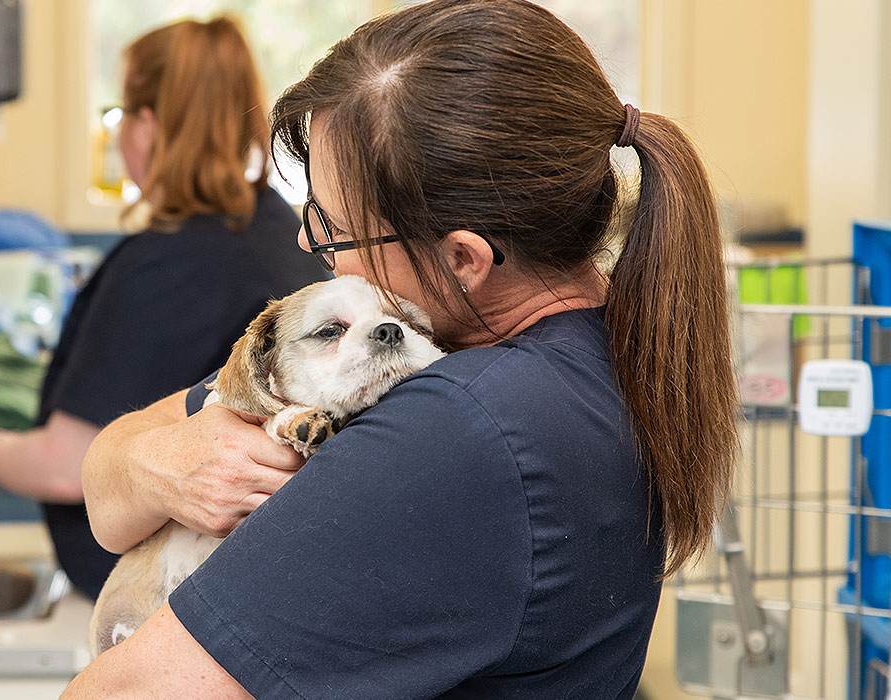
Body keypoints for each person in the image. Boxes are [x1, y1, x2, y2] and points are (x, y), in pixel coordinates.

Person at [62, 0, 739, 698]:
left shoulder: (461, 423)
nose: (305, 243)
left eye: (332, 229)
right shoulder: (591, 348)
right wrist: (166, 462)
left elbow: (119, 690)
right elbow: (105, 491)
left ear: (464, 260)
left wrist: (158, 462)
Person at [0, 16, 327, 601]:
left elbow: (68, 465)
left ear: (147, 126)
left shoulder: (167, 265)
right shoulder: (272, 229)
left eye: (118, 115)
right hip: (254, 576)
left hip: (169, 592)